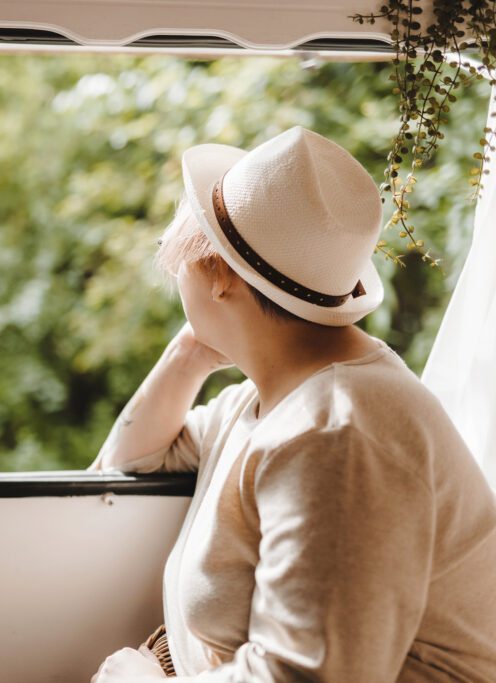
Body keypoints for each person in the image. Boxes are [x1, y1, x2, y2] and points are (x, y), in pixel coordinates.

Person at [87, 126, 496, 681]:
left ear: (221, 277)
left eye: (185, 241)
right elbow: (130, 460)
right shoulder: (270, 399)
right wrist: (192, 352)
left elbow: (307, 676)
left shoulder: (337, 433)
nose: (168, 255)